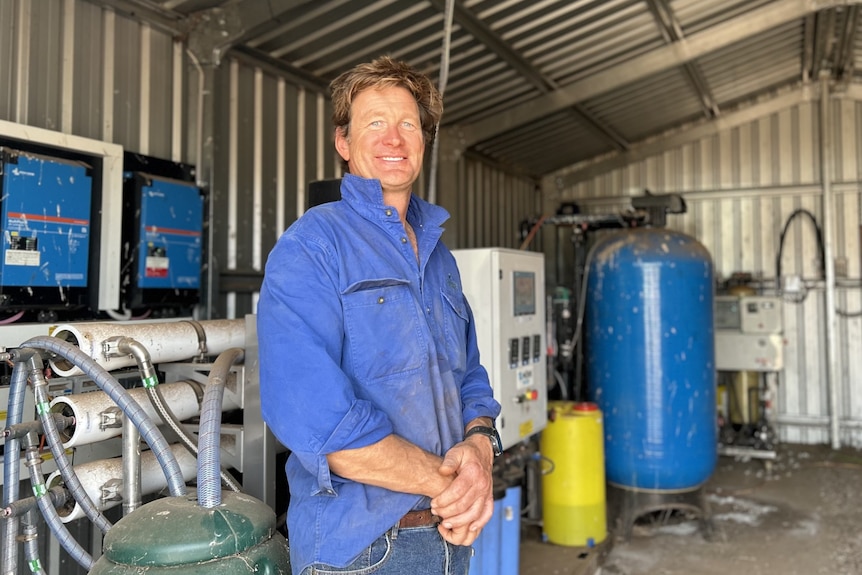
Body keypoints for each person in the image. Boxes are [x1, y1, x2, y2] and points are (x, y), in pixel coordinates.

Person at [257, 56, 503, 575]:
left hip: (449, 535)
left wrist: (481, 446)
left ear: (423, 140)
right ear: (343, 142)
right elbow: (324, 427)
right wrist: (453, 484)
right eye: (375, 123)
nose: (394, 138)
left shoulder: (439, 257)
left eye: (407, 124)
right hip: (365, 552)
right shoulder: (312, 248)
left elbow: (472, 379)